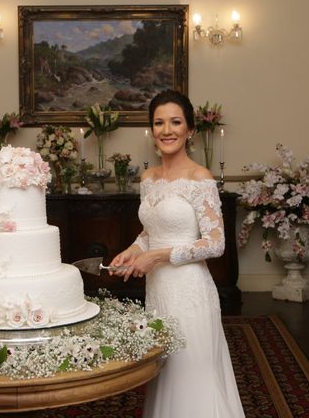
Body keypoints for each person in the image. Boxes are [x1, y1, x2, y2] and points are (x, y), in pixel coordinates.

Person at [109, 90, 245, 418]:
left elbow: (215, 243)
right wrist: (132, 250)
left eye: (175, 122)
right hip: (159, 291)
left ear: (190, 130)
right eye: (159, 122)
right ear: (151, 130)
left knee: (192, 375)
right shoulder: (148, 178)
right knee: (166, 372)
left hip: (190, 291)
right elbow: (150, 231)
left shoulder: (200, 179)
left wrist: (156, 257)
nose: (166, 130)